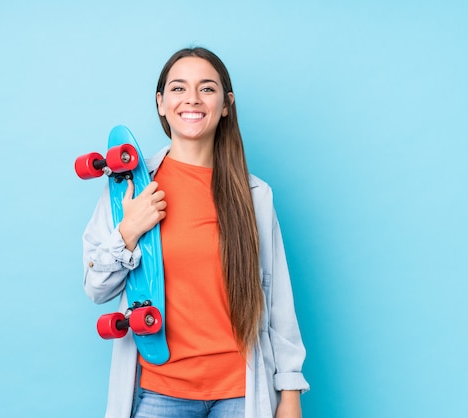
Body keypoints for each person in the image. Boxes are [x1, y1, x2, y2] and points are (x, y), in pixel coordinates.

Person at [82, 47, 309, 418]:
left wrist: (290, 392)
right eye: (178, 88)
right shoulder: (130, 190)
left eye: (206, 89)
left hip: (241, 392)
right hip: (159, 390)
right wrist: (128, 231)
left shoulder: (255, 197)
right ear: (160, 103)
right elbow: (96, 288)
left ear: (225, 104)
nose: (191, 99)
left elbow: (277, 299)